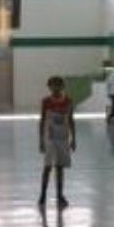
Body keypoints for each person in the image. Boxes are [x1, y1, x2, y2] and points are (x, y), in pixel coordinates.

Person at [37, 76, 76, 209]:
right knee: (47, 167)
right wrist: (41, 140)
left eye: (58, 85)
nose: (55, 88)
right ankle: (42, 195)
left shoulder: (68, 101)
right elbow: (42, 120)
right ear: (49, 86)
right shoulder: (46, 101)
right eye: (53, 85)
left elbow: (71, 120)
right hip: (50, 138)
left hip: (63, 138)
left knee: (60, 167)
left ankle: (60, 195)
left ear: (62, 87)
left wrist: (74, 138)